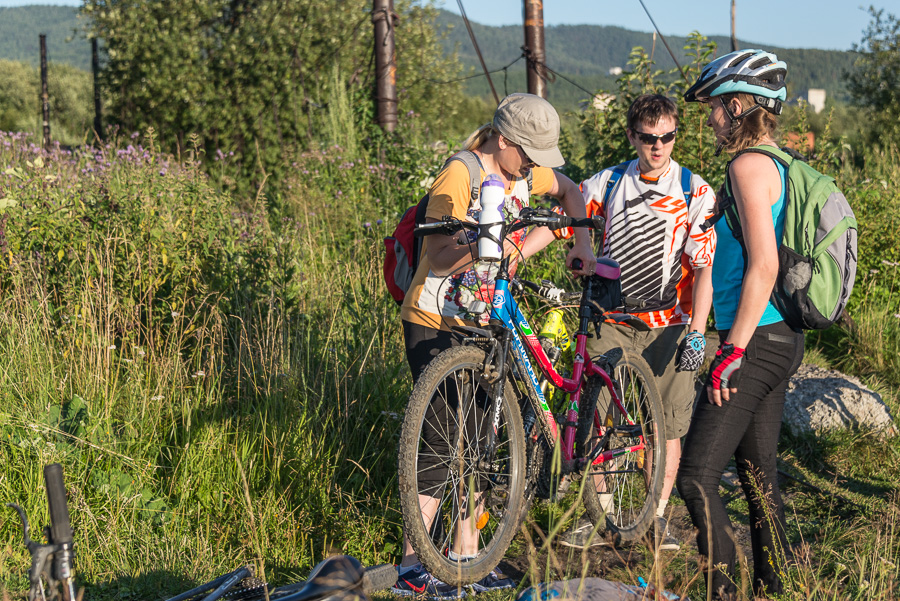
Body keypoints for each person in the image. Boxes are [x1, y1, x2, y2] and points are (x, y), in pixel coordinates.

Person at [393, 93, 596, 599]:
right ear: (504, 141)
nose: (533, 168)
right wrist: (484, 242)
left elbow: (574, 194)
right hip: (437, 317)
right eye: (528, 155)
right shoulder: (460, 173)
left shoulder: (526, 173)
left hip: (486, 322)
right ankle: (412, 567)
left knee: (482, 436)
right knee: (441, 440)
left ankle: (467, 556)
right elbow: (438, 258)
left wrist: (572, 245)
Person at [548, 94, 717, 551]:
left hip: (671, 323)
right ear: (632, 136)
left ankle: (656, 518)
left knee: (665, 425)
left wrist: (698, 334)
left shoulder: (694, 190)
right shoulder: (608, 182)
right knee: (597, 419)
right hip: (612, 320)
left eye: (667, 137)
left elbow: (704, 270)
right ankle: (600, 519)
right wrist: (513, 250)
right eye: (648, 138)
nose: (658, 146)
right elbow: (565, 219)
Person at [676, 49, 805, 600]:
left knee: (696, 475)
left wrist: (731, 350)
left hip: (755, 341)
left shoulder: (748, 165)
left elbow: (765, 264)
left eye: (714, 108)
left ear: (737, 106)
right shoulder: (779, 162)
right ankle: (776, 589)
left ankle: (723, 594)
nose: (709, 119)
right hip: (780, 337)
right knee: (758, 479)